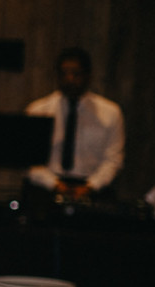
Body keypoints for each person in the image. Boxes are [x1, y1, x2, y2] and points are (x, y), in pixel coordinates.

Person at [25, 47, 125, 199]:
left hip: (91, 185)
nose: (69, 79)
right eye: (64, 74)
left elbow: (113, 159)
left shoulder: (110, 113)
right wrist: (54, 184)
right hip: (47, 185)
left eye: (76, 74)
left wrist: (91, 186)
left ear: (88, 76)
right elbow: (30, 160)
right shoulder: (38, 111)